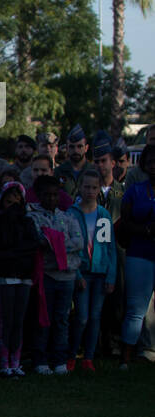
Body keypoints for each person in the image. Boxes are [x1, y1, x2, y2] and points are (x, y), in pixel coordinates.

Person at [26, 175, 83, 375]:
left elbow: (78, 241)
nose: (51, 199)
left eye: (55, 195)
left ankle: (59, 360)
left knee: (62, 319)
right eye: (47, 195)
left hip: (67, 276)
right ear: (39, 195)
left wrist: (55, 241)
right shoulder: (33, 216)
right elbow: (40, 239)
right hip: (47, 275)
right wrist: (54, 241)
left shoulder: (68, 217)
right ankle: (40, 359)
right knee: (44, 318)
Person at [0, 182, 40, 378]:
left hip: (23, 277)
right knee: (5, 320)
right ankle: (4, 361)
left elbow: (33, 245)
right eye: (9, 202)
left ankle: (15, 361)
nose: (13, 207)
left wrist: (14, 253)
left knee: (19, 320)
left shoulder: (28, 222)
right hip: (4, 276)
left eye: (17, 202)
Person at [67, 169, 117, 371]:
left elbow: (109, 247)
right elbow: (70, 248)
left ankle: (88, 357)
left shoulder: (103, 214)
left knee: (95, 316)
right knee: (81, 316)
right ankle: (71, 355)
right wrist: (77, 274)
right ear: (80, 187)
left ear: (99, 190)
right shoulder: (72, 213)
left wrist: (111, 275)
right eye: (86, 186)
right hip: (82, 272)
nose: (90, 191)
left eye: (94, 187)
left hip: (100, 273)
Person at [116, 144, 155, 370]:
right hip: (139, 254)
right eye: (149, 161)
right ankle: (125, 359)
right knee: (136, 309)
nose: (153, 165)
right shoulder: (135, 190)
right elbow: (126, 223)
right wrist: (147, 231)